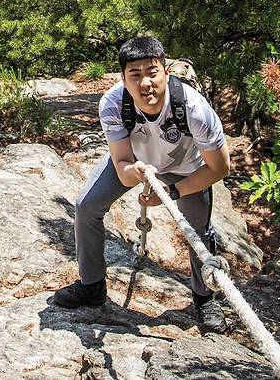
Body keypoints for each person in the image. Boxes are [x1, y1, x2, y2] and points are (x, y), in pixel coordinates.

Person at [53, 35, 230, 333]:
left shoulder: (193, 109)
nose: (145, 82)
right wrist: (135, 171)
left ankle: (204, 299)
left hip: (186, 169)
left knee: (197, 229)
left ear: (165, 72)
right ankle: (92, 285)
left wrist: (172, 193)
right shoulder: (112, 103)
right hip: (137, 161)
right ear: (123, 78)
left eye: (152, 72)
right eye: (135, 74)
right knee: (87, 206)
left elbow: (220, 166)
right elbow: (121, 167)